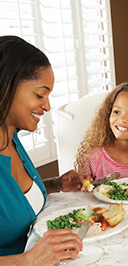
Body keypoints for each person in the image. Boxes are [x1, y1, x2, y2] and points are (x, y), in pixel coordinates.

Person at [0, 36, 92, 264]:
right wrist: (27, 260)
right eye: (40, 94)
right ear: (6, 86)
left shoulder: (11, 136)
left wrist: (54, 185)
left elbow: (13, 200)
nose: (47, 106)